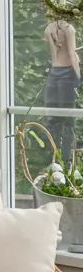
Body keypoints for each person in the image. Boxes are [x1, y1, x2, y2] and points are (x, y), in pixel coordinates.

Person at [44, 16, 81, 163]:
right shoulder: (68, 29)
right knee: (67, 118)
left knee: (54, 119)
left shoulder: (49, 28)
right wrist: (78, 76)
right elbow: (71, 53)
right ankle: (66, 159)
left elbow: (54, 55)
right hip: (67, 73)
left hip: (54, 72)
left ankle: (53, 158)